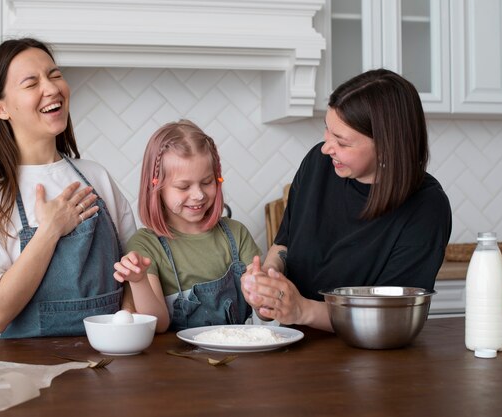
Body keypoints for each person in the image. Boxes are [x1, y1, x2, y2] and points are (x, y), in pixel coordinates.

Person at [0, 38, 136, 338]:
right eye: (31, 82)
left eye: (54, 75)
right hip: (31, 373)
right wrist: (50, 230)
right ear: (0, 108)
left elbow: (134, 266)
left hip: (109, 362)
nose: (51, 88)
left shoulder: (97, 177)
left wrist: (128, 317)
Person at [242, 69, 452, 332]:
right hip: (291, 342)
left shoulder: (426, 208)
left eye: (341, 141)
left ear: (386, 146)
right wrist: (268, 278)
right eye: (327, 130)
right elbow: (284, 244)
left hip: (369, 361)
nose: (326, 147)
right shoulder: (318, 165)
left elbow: (390, 319)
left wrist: (302, 310)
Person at [113, 120, 261, 333]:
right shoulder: (146, 244)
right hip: (179, 362)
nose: (198, 195)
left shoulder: (236, 234)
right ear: (156, 188)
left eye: (207, 182)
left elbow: (264, 311)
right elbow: (159, 324)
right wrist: (139, 281)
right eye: (184, 186)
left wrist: (261, 292)